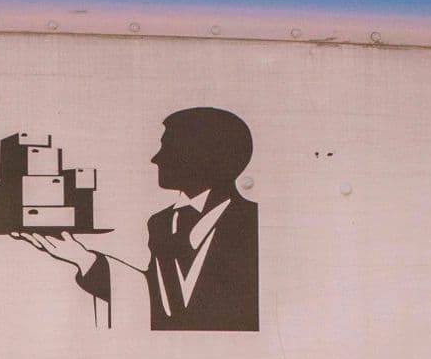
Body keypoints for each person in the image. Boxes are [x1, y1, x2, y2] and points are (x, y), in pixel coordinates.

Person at [19, 106, 261, 331]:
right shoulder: (161, 223)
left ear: (206, 156)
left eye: (169, 148)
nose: (156, 158)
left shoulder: (251, 221)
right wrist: (83, 259)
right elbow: (155, 296)